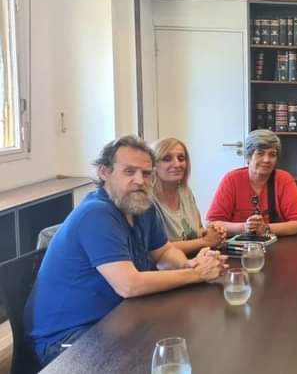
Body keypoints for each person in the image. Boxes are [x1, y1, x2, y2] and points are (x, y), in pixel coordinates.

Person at [24, 136, 227, 366]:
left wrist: (188, 264)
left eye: (146, 173)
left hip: (117, 318)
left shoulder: (142, 206)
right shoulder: (96, 213)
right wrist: (197, 274)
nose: (140, 181)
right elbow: (129, 285)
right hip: (68, 338)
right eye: (129, 171)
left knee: (188, 340)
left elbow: (163, 252)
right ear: (104, 172)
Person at [206, 129, 297, 236]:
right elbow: (212, 224)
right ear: (248, 157)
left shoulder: (283, 179)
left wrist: (266, 228)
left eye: (272, 155)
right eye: (260, 153)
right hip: (238, 242)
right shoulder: (232, 179)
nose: (266, 160)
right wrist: (245, 227)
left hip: (276, 241)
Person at [151, 137, 226, 255]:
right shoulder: (148, 200)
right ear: (152, 165)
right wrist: (205, 241)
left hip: (195, 258)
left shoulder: (185, 191)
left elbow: (196, 230)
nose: (177, 164)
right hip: (167, 265)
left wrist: (213, 234)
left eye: (181, 158)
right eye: (167, 159)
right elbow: (156, 250)